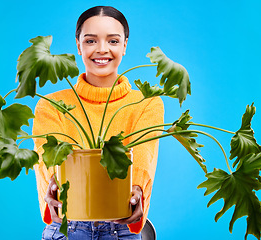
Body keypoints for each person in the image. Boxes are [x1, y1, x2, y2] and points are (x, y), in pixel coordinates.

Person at [33, 6, 164, 240]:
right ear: (78, 45)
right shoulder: (52, 104)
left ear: (124, 45)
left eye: (113, 41)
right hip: (68, 226)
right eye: (91, 40)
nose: (102, 50)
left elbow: (144, 155)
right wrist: (54, 182)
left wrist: (137, 190)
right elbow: (47, 155)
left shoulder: (146, 103)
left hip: (120, 227)